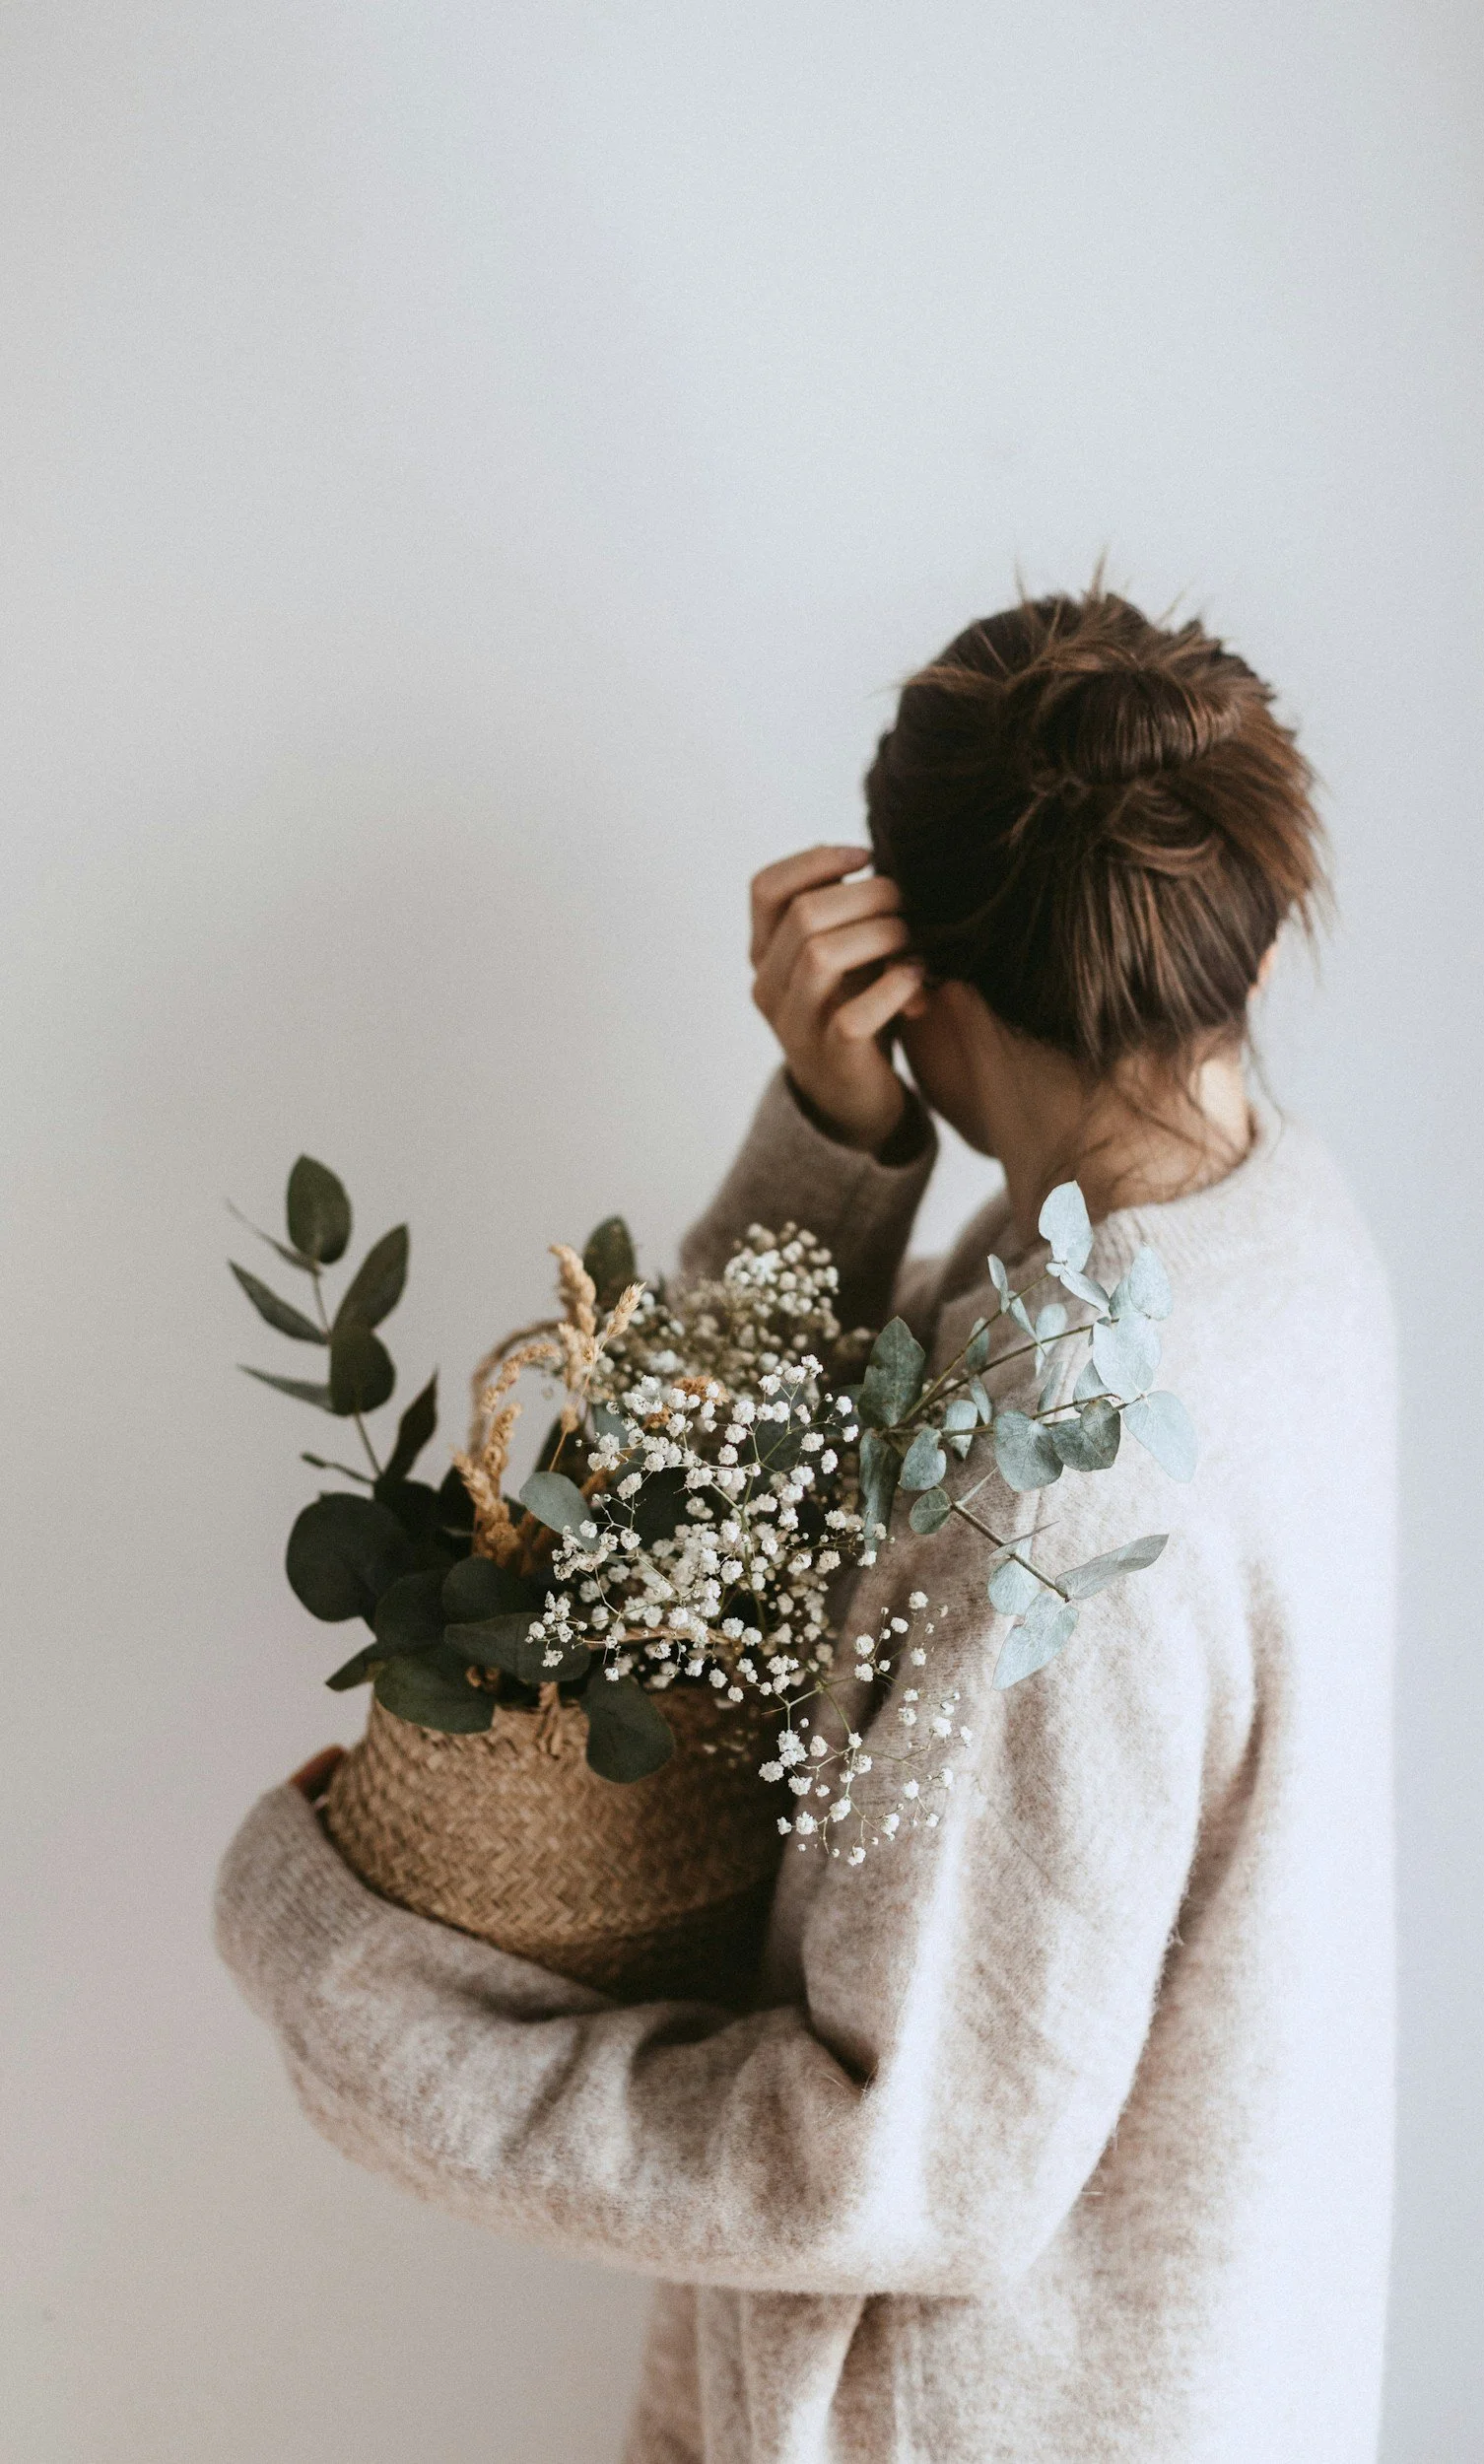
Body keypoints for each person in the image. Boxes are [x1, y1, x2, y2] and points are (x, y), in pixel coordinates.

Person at [218, 584, 1396, 2463]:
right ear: (1227, 936)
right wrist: (839, 1152)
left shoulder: (1065, 1468)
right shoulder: (1254, 1245)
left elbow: (893, 2164)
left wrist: (351, 1992)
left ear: (906, 970)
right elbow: (749, 1509)